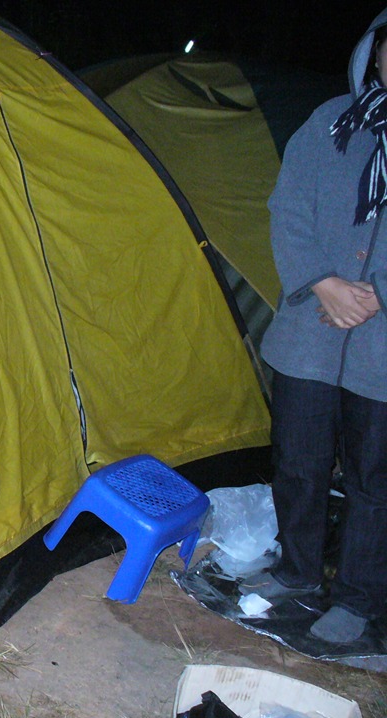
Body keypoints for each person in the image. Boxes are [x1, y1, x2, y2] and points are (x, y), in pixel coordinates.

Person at [239, 9, 387, 644]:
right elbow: (288, 207)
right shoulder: (330, 121)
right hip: (308, 333)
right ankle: (298, 571)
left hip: (381, 347)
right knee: (298, 462)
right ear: (374, 52)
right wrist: (323, 282)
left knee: (374, 479)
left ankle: (357, 597)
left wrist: (374, 294)